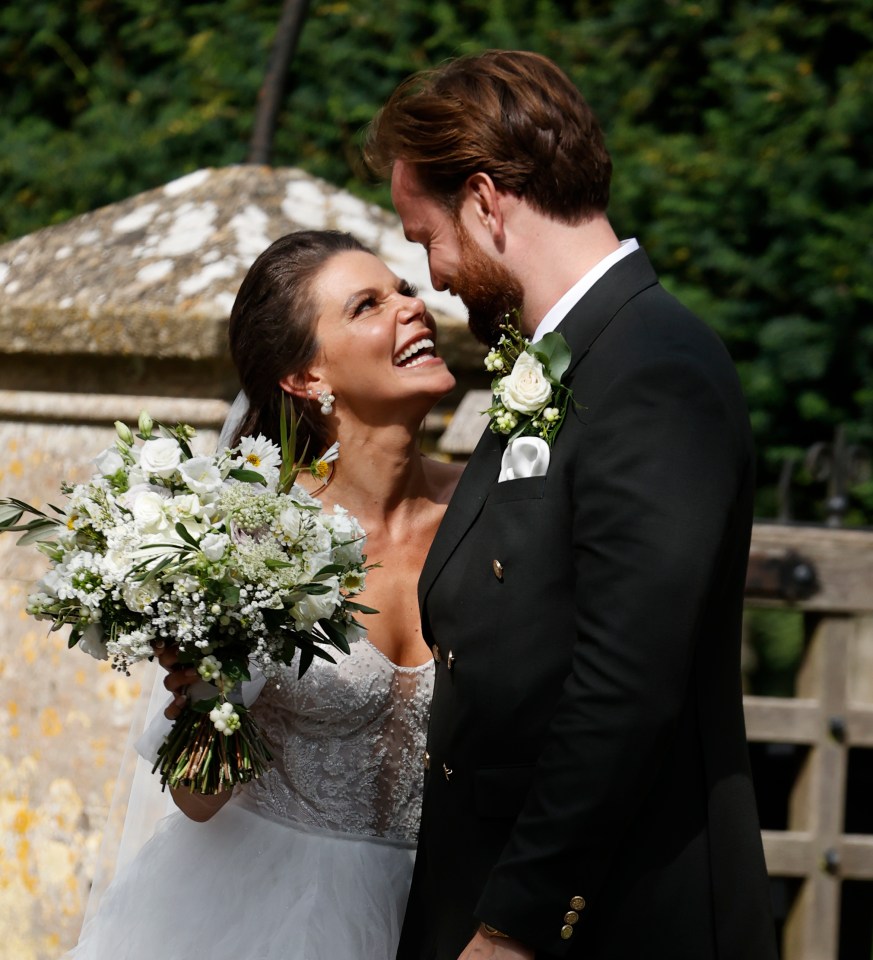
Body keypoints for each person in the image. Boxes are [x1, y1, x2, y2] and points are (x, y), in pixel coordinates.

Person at [365, 50, 778, 960]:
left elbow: (625, 681)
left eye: (424, 237)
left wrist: (515, 921)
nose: (432, 277)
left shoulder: (655, 369)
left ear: (483, 200)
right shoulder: (570, 361)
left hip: (605, 918)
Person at [65, 229, 461, 959]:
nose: (412, 308)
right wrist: (206, 682)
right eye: (368, 304)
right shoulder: (255, 533)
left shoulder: (489, 515)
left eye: (404, 289)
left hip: (453, 905)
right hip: (269, 915)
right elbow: (196, 798)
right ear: (307, 377)